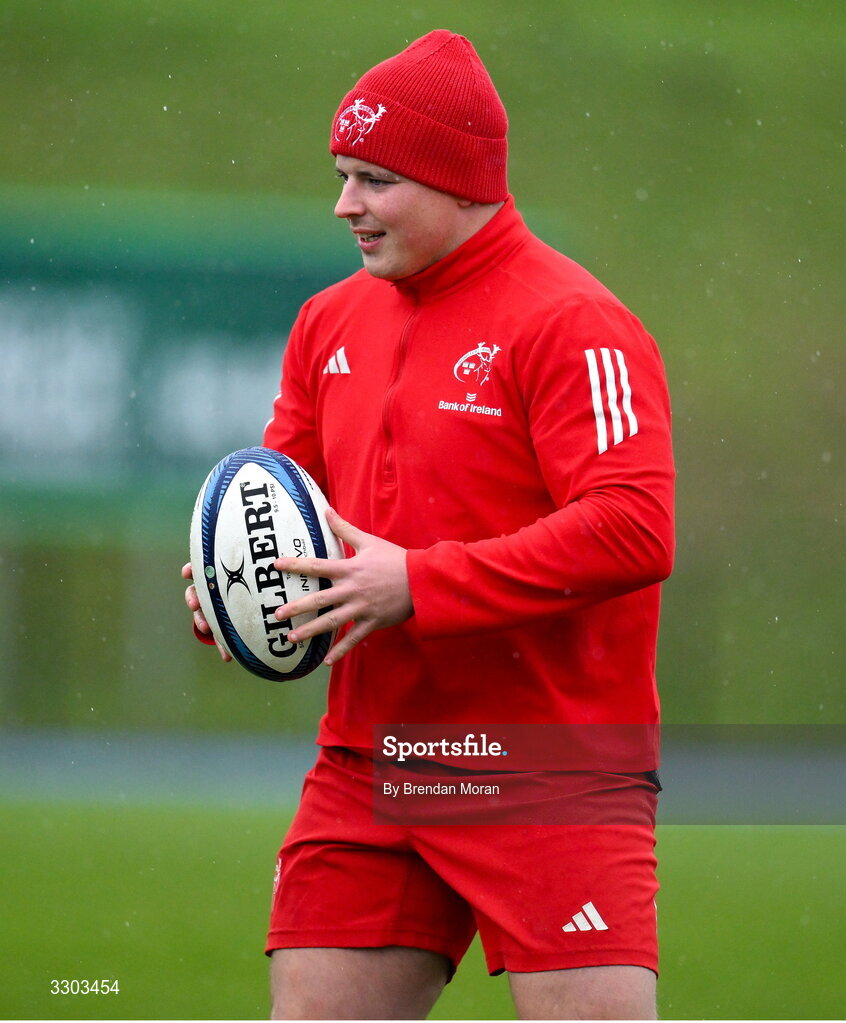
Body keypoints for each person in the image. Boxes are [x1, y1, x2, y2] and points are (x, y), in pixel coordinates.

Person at [184, 29, 674, 1020]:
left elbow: (635, 526)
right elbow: (287, 507)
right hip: (374, 758)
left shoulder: (573, 322)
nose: (344, 206)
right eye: (340, 176)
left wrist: (420, 583)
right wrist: (234, 587)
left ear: (457, 180)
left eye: (372, 179)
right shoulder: (329, 322)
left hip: (550, 768)